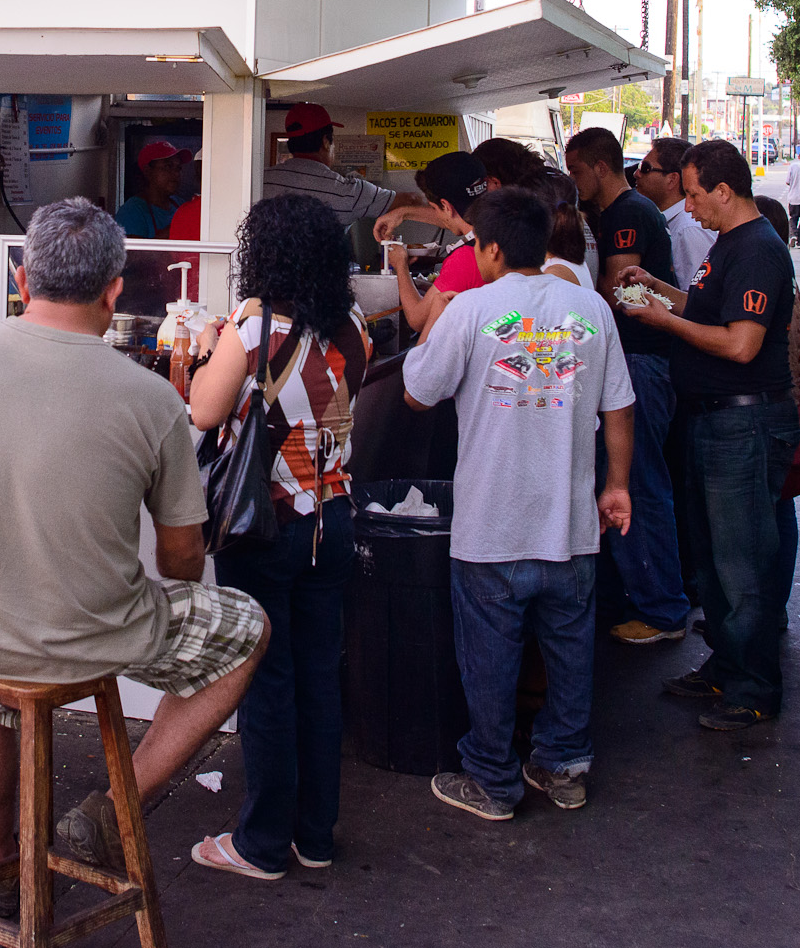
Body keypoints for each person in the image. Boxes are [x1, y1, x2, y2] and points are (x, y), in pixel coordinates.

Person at [0, 198, 265, 899]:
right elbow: (181, 558)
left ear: (22, 281)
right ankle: (112, 806)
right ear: (113, 290)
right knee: (248, 629)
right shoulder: (152, 397)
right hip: (92, 635)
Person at [403, 188, 632, 817]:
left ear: (493, 249)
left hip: (491, 528)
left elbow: (418, 394)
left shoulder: (471, 309)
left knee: (490, 658)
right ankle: (564, 766)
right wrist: (616, 484)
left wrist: (435, 321)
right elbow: (619, 404)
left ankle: (491, 779)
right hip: (571, 524)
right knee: (570, 651)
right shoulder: (591, 307)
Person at [183, 194, 362, 879]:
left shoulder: (253, 323)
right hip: (333, 520)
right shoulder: (352, 327)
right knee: (319, 678)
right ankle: (315, 837)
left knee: (265, 681)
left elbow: (205, 411)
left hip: (265, 525)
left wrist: (208, 354)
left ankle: (259, 845)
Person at [614, 139, 799, 731]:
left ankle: (753, 688)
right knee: (716, 559)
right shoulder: (728, 245)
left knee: (741, 563)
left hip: (743, 423)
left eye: (694, 195)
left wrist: (661, 319)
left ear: (724, 190)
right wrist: (659, 290)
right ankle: (726, 665)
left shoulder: (757, 249)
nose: (687, 206)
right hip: (714, 420)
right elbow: (706, 310)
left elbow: (741, 343)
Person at [563, 125, 690, 647]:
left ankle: (663, 609)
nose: (573, 180)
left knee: (637, 484)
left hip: (640, 363)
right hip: (633, 362)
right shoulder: (613, 214)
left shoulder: (628, 214)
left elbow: (614, 292)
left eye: (576, 170)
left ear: (600, 167)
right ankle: (638, 597)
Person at [754, 195, 800, 599]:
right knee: (779, 506)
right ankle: (773, 606)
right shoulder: (786, 278)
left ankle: (769, 606)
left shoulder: (769, 279)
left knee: (772, 508)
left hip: (773, 407)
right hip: (785, 403)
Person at [376, 149, 490, 333]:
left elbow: (418, 320)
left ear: (445, 206)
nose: (438, 215)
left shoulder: (466, 257)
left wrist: (401, 266)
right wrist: (403, 213)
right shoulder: (508, 231)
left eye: (435, 208)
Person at [263, 104, 424, 231]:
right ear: (326, 142)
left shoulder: (261, 180)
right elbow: (412, 201)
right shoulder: (348, 191)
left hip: (265, 265)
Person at [631, 137, 715, 286]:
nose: (636, 174)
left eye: (645, 168)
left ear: (672, 179)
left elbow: (699, 294)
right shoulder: (672, 222)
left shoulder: (688, 229)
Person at [116, 139, 186, 237]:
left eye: (178, 168)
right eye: (168, 166)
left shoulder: (180, 204)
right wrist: (175, 229)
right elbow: (133, 247)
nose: (176, 173)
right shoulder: (131, 211)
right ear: (147, 171)